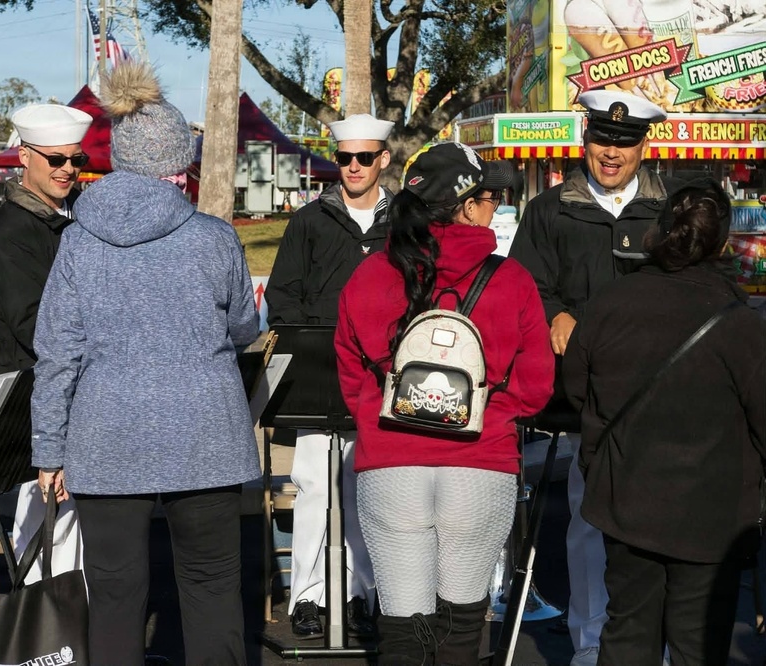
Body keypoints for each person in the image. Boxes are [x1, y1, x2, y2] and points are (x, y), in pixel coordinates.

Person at [30, 61, 260, 665]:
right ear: (179, 164)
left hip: (106, 432)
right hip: (205, 429)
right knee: (212, 588)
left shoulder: (78, 240)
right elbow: (243, 326)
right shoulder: (213, 238)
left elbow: (57, 352)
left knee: (113, 594)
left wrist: (48, 448)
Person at [335, 142, 554, 664]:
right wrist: (493, 411)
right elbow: (537, 385)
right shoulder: (512, 280)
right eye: (489, 197)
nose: (495, 206)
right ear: (468, 206)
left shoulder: (370, 274)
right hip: (481, 464)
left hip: (391, 464)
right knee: (460, 626)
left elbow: (348, 371)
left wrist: (378, 414)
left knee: (403, 626)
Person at [563, 179, 766, 665]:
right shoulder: (741, 324)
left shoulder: (611, 303)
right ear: (722, 244)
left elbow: (576, 388)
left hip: (626, 500)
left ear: (659, 231)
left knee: (628, 633)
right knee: (698, 644)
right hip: (712, 515)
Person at [508, 88, 671, 666]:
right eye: (603, 139)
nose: (612, 153)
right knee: (585, 520)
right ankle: (590, 640)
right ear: (586, 140)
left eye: (624, 143)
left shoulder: (668, 206)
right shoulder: (550, 209)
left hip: (659, 391)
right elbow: (527, 285)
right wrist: (556, 313)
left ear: (643, 147)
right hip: (585, 394)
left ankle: (654, 644)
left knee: (657, 524)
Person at [264, 112, 394, 639]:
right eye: (345, 158)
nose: (354, 167)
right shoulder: (309, 220)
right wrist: (313, 337)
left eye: (365, 157)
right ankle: (309, 596)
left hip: (385, 377)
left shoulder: (404, 220)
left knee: (371, 487)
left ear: (383, 159)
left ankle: (366, 592)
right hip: (321, 373)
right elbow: (281, 298)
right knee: (315, 484)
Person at [0, 102, 92, 582]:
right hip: (30, 392)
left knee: (72, 529)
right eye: (55, 159)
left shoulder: (74, 218)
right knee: (39, 525)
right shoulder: (13, 233)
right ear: (24, 157)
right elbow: (36, 327)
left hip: (72, 390)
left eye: (76, 160)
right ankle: (37, 644)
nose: (68, 170)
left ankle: (71, 638)